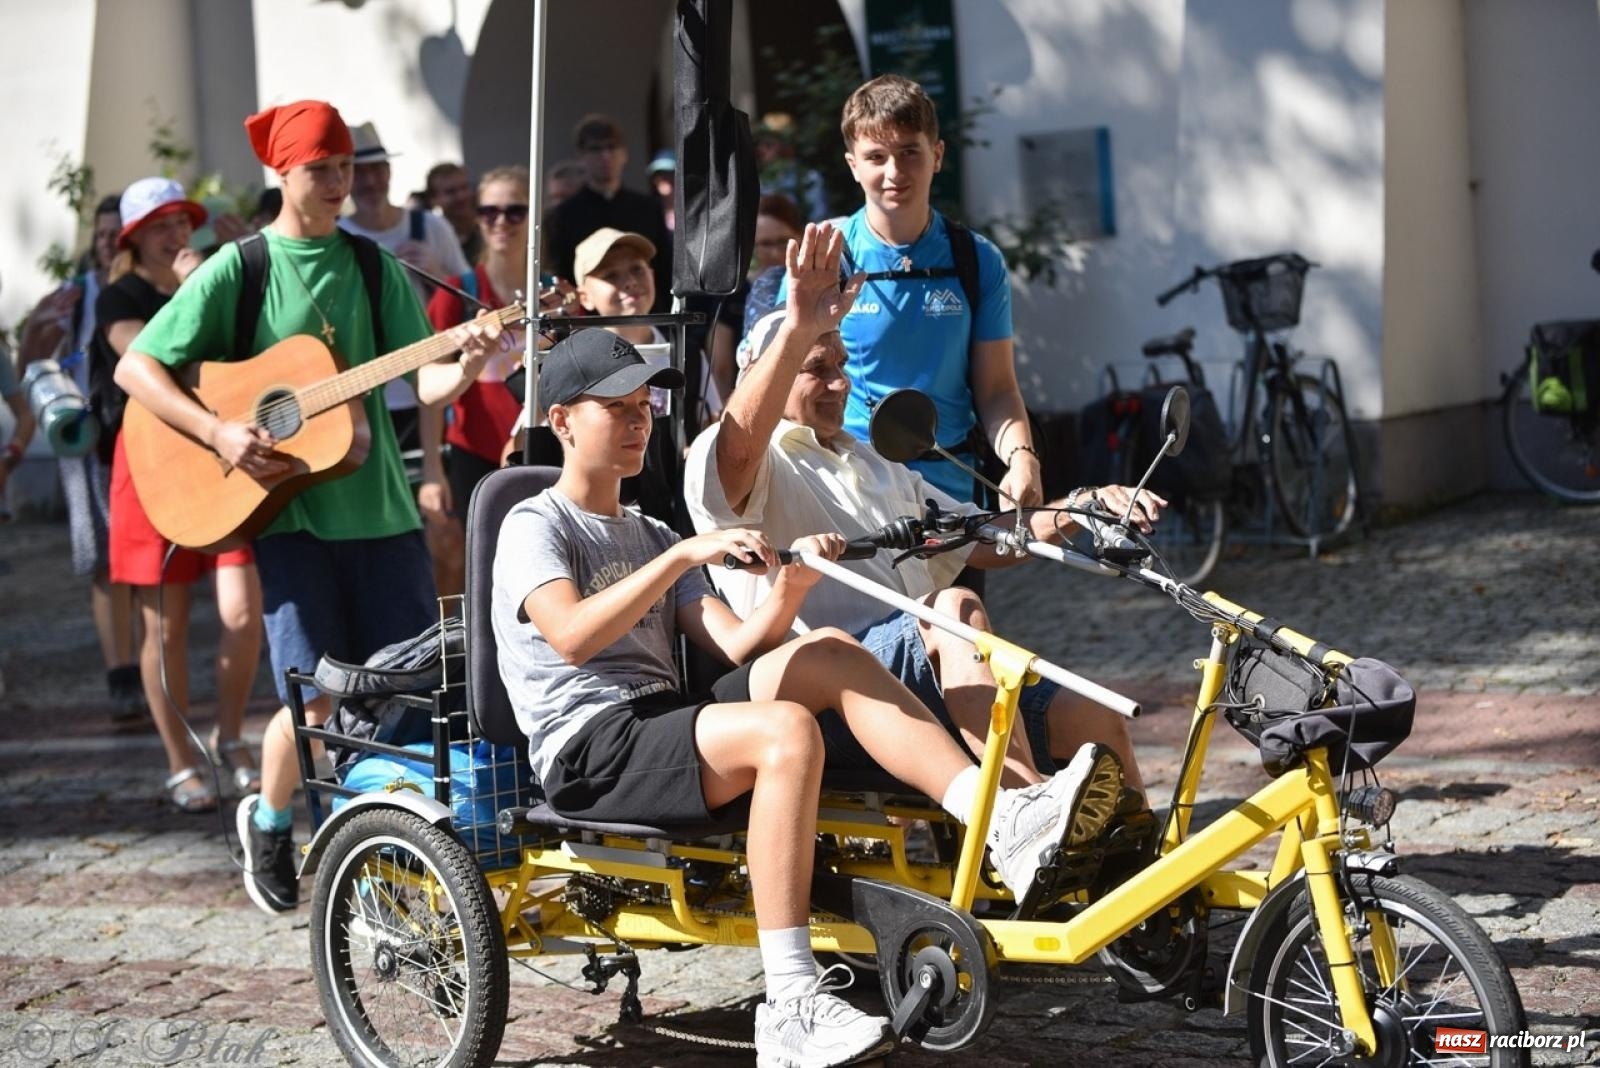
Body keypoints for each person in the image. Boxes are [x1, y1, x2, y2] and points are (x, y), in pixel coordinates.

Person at [495, 309, 1121, 1063]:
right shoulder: (536, 522)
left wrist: (791, 587)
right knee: (786, 731)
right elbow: (571, 634)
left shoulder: (652, 532)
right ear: (562, 420)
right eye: (617, 409)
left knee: (825, 650)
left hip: (662, 721)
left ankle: (1002, 821)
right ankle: (790, 1004)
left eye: (643, 407)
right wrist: (683, 557)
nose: (639, 423)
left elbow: (737, 644)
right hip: (589, 746)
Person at [114, 100, 506, 912]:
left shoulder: (373, 265)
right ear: (283, 173)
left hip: (384, 514)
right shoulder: (241, 268)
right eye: (320, 170)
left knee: (408, 699)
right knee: (318, 704)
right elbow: (137, 368)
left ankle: (390, 870)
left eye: (346, 168)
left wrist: (469, 359)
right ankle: (270, 817)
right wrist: (219, 432)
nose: (338, 184)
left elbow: (425, 381)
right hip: (290, 520)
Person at [688, 224, 1158, 793]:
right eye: (816, 367)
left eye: (841, 364)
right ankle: (1021, 805)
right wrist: (796, 328)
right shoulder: (732, 456)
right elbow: (739, 448)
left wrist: (1080, 509)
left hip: (922, 669)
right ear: (761, 368)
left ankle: (1150, 852)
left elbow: (983, 538)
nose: (839, 384)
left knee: (1097, 721)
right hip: (833, 695)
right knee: (954, 607)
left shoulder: (871, 458)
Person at [98, 177, 265, 812]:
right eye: (161, 226)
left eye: (182, 222)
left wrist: (230, 276)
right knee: (164, 629)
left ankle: (231, 737)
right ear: (134, 238)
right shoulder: (120, 297)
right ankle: (179, 760)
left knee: (242, 615)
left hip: (226, 458)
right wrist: (198, 288)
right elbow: (146, 363)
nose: (176, 235)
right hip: (151, 463)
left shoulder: (213, 279)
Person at [817, 74, 1041, 512]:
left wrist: (1022, 458)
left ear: (936, 155)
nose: (894, 172)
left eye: (909, 152)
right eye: (876, 157)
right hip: (856, 492)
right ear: (853, 165)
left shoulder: (977, 258)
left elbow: (997, 390)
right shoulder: (827, 256)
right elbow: (791, 384)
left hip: (955, 491)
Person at [14, 194, 145, 723]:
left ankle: (148, 669)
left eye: (117, 232)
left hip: (143, 437)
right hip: (89, 441)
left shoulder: (144, 287)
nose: (109, 241)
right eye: (102, 233)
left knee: (143, 565)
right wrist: (36, 328)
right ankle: (121, 674)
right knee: (106, 564)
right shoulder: (77, 293)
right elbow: (29, 367)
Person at [338, 122, 471, 599]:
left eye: (377, 169)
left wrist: (436, 274)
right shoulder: (338, 237)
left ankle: (441, 631)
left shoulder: (429, 227)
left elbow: (468, 297)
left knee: (442, 529)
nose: (370, 181)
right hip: (363, 404)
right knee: (377, 530)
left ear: (390, 172)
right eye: (360, 172)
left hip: (428, 399)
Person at [542, 114, 673, 313]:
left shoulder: (648, 207)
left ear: (624, 154)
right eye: (596, 149)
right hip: (588, 319)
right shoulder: (562, 215)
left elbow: (664, 267)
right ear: (581, 156)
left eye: (612, 147)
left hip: (647, 314)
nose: (606, 156)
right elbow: (561, 275)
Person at [709, 193, 804, 405]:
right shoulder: (735, 293)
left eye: (784, 242)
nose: (775, 252)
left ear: (799, 237)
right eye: (765, 244)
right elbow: (721, 368)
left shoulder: (815, 286)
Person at [425, 161, 484, 265]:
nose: (461, 196)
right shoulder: (431, 238)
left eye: (464, 187)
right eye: (451, 192)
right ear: (433, 199)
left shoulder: (487, 229)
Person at [645, 150, 675, 231]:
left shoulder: (691, 209)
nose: (664, 179)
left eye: (670, 173)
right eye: (658, 174)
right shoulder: (648, 211)